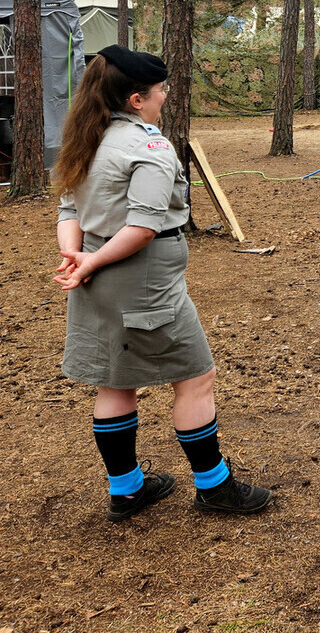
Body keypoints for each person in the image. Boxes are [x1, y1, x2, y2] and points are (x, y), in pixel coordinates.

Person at [53, 45, 272, 521]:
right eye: (161, 90)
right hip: (142, 282)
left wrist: (78, 257)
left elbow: (69, 210)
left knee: (116, 382)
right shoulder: (147, 147)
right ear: (136, 99)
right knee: (196, 377)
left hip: (97, 276)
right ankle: (214, 487)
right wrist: (87, 262)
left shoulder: (87, 137)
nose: (165, 96)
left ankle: (127, 489)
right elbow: (143, 227)